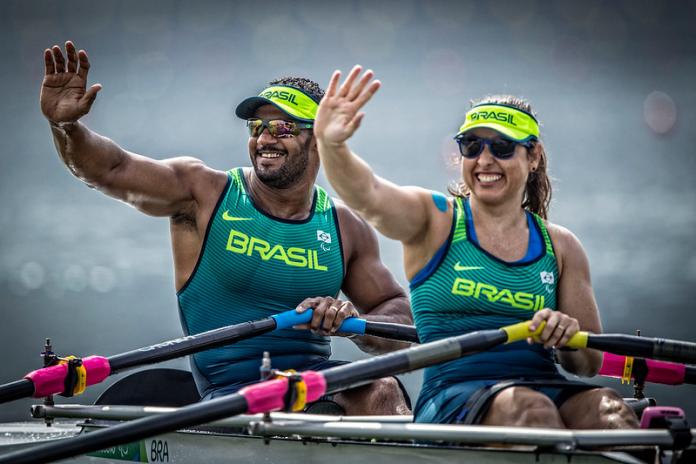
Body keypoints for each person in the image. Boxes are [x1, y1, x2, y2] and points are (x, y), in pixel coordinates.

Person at [40, 42, 412, 415]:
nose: (265, 139)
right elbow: (110, 170)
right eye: (257, 127)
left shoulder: (345, 226)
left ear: (317, 138)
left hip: (312, 385)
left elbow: (399, 318)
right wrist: (66, 125)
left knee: (383, 389)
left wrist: (351, 322)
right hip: (230, 397)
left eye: (282, 127)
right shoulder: (201, 192)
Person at [312, 66, 639, 428]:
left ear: (533, 157)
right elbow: (368, 194)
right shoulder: (433, 221)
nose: (485, 160)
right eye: (472, 146)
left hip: (545, 385)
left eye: (501, 147)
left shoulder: (561, 246)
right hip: (454, 395)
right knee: (531, 411)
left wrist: (567, 336)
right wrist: (332, 145)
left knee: (611, 411)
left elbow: (588, 363)